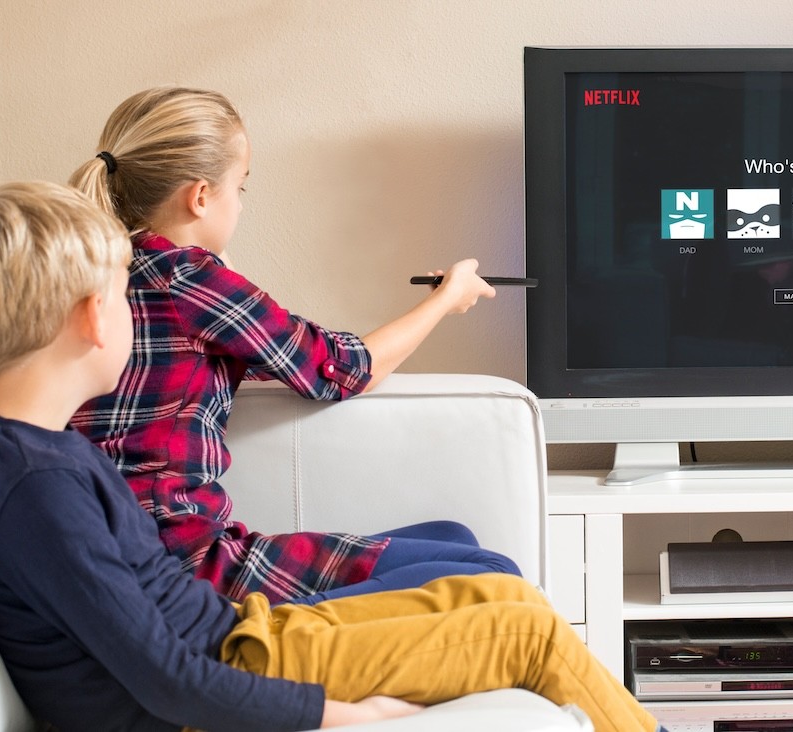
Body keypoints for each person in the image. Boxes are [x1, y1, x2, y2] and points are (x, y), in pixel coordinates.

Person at [0, 180, 665, 732]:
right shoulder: (35, 488)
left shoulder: (38, 449)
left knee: (500, 591)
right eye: (124, 298)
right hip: (234, 665)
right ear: (93, 318)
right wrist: (339, 714)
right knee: (526, 634)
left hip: (242, 633)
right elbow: (166, 680)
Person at [67, 86, 518, 604]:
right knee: (495, 572)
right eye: (241, 187)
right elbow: (343, 369)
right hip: (188, 564)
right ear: (200, 196)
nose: (241, 204)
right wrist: (446, 300)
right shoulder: (188, 278)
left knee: (453, 537)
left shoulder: (99, 274)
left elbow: (270, 353)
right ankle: (302, 632)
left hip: (134, 551)